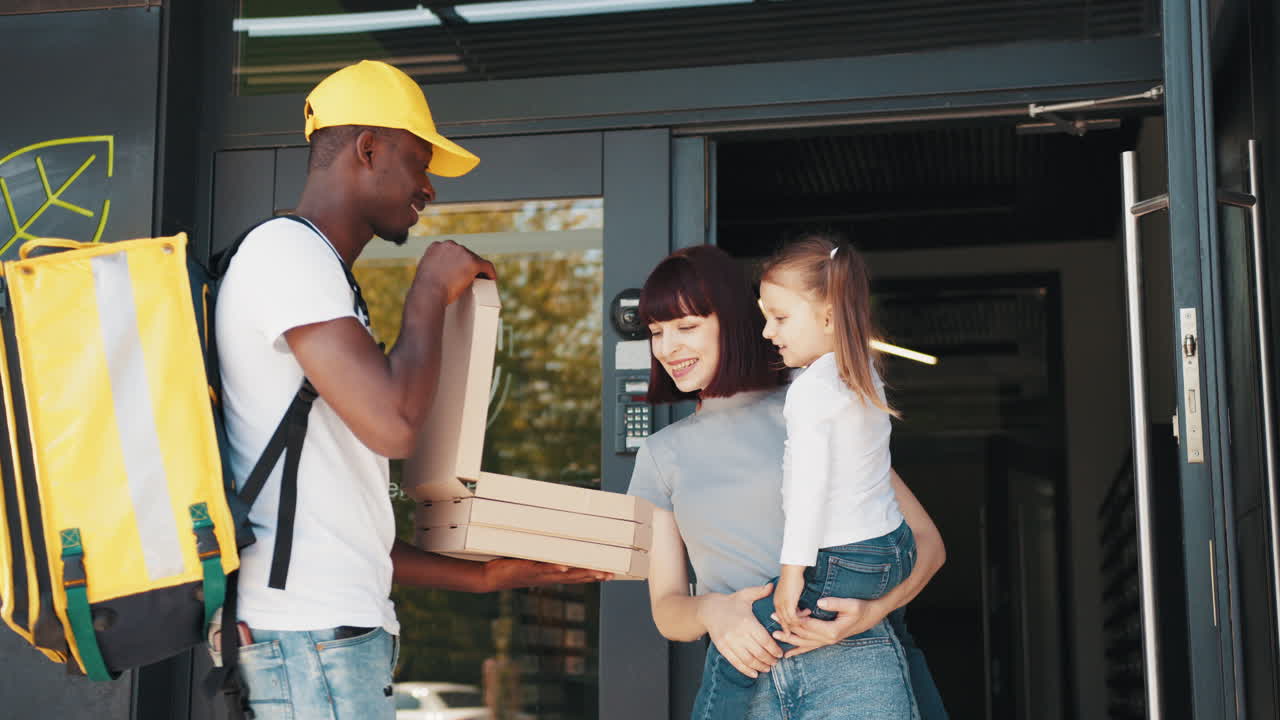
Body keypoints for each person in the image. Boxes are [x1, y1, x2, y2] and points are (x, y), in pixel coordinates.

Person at [215, 60, 606, 720]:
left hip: (321, 638)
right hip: (309, 640)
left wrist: (483, 577)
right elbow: (394, 425)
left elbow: (347, 527)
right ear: (368, 148)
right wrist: (428, 289)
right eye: (418, 162)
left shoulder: (316, 275)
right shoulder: (287, 254)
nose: (428, 187)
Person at [627, 244, 948, 720]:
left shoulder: (812, 404)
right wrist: (713, 611)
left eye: (686, 327)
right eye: (656, 332)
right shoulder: (660, 454)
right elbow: (667, 609)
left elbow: (928, 545)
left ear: (734, 322)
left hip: (850, 664)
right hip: (747, 678)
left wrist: (871, 613)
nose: (667, 347)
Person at [690, 234, 916, 718]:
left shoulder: (811, 391)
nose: (767, 332)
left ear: (828, 317)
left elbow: (808, 491)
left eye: (780, 318)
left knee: (733, 652)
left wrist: (791, 575)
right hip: (894, 551)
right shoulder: (863, 374)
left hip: (844, 560)